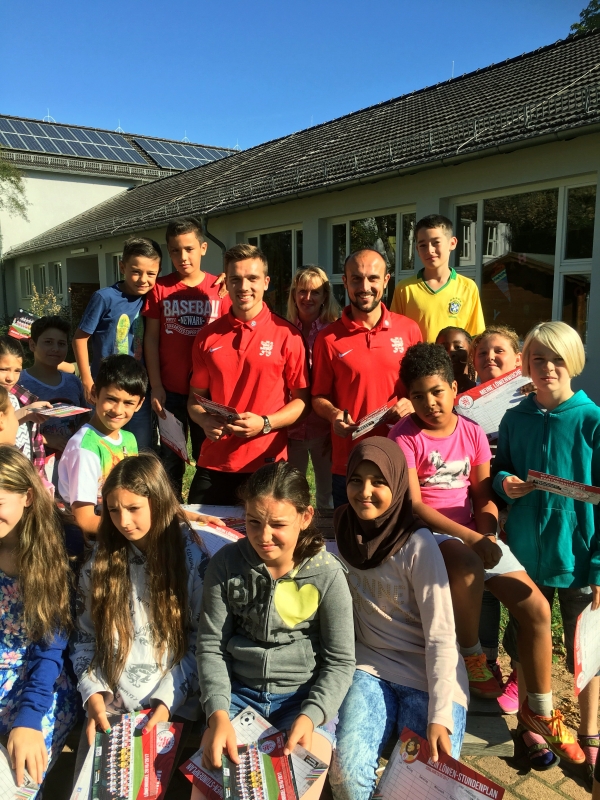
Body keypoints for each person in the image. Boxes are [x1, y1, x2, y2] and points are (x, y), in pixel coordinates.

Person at [390, 343, 584, 765]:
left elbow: (482, 495)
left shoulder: (472, 432)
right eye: (418, 396)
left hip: (476, 534)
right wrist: (473, 540)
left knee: (536, 608)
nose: (429, 403)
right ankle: (473, 653)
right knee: (466, 565)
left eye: (437, 392)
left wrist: (490, 534)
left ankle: (539, 710)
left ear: (454, 388)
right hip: (425, 535)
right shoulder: (402, 436)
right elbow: (415, 504)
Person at [196, 461, 355, 800]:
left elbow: (340, 661)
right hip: (237, 697)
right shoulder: (225, 564)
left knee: (297, 790)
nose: (263, 536)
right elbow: (211, 646)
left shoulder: (327, 574)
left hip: (302, 701)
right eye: (253, 521)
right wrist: (217, 714)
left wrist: (311, 716)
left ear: (305, 517)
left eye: (278, 525)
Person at [328, 438, 468, 800]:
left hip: (429, 676)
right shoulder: (342, 530)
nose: (365, 492)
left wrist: (440, 715)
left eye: (378, 482)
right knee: (347, 780)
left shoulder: (416, 544)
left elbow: (441, 635)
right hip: (369, 668)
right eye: (356, 480)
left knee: (421, 788)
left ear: (398, 484)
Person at [494, 321, 599, 777]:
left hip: (578, 558)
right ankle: (531, 724)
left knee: (585, 652)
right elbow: (498, 469)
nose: (548, 368)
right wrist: (504, 483)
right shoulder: (514, 418)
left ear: (573, 360)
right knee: (524, 638)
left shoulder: (593, 420)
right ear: (526, 365)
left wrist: (599, 566)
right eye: (539, 359)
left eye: (557, 359)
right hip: (524, 555)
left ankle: (591, 731)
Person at [71, 453, 209, 787]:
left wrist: (165, 705)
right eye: (113, 510)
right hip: (110, 700)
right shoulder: (100, 562)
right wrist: (94, 696)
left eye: (134, 508)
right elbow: (85, 636)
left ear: (158, 502)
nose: (124, 521)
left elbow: (202, 642)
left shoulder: (191, 559)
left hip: (170, 701)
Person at [187, 244, 310, 505]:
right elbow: (194, 400)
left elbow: (302, 402)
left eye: (252, 278)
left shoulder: (288, 335)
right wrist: (205, 420)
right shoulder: (207, 337)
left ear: (266, 282)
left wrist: (265, 423)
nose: (244, 287)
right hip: (215, 461)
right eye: (236, 279)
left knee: (261, 532)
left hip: (266, 462)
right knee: (195, 528)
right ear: (226, 284)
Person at [311, 248, 422, 508]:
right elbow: (318, 397)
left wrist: (412, 402)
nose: (365, 287)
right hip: (350, 461)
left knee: (401, 530)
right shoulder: (328, 338)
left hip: (401, 456)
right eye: (356, 279)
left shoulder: (409, 330)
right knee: (349, 532)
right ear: (345, 282)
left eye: (373, 278)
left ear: (386, 280)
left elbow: (423, 388)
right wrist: (333, 414)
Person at [0, 446, 78, 788]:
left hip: (39, 681)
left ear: (27, 497)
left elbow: (50, 648)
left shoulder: (53, 550)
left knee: (17, 779)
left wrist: (29, 717)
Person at [144, 218, 230, 499]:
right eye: (175, 250)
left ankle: (205, 510)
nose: (183, 257)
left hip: (209, 397)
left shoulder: (220, 288)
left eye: (189, 249)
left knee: (209, 458)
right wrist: (156, 385)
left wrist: (230, 276)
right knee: (171, 461)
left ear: (203, 248)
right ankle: (171, 514)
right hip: (170, 392)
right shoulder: (160, 289)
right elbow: (151, 339)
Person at [470, 324, 523, 712]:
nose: (490, 357)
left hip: (522, 506)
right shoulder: (464, 403)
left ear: (518, 359)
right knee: (487, 584)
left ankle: (522, 671)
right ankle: (488, 660)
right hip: (481, 504)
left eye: (499, 351)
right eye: (482, 352)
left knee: (522, 587)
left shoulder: (531, 398)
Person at [73, 236, 162, 450]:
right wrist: (86, 380)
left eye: (151, 274)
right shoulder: (104, 298)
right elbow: (79, 338)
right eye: (136, 271)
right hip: (105, 388)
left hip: (137, 391)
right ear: (122, 267)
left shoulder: (154, 297)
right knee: (102, 444)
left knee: (139, 448)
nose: (143, 279)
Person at [57, 354, 146, 538]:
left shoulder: (129, 439)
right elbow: (84, 520)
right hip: (91, 542)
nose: (118, 410)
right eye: (111, 399)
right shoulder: (85, 448)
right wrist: (143, 528)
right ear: (95, 393)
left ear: (139, 404)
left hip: (122, 529)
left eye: (128, 403)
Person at [286, 266, 341, 511]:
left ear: (325, 296)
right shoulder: (283, 329)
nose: (307, 298)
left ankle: (325, 532)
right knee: (290, 492)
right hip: (291, 426)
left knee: (327, 494)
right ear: (294, 294)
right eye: (302, 291)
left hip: (323, 427)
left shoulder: (335, 332)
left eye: (315, 292)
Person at [390, 215, 484, 342]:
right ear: (417, 249)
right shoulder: (404, 288)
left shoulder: (468, 287)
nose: (430, 250)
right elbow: (395, 334)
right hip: (416, 355)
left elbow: (475, 336)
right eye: (423, 245)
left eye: (436, 243)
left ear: (452, 243)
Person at [19, 316, 88, 464]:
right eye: (48, 342)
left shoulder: (73, 382)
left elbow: (85, 416)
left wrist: (78, 435)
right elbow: (10, 422)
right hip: (32, 464)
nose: (55, 349)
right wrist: (44, 438)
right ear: (32, 345)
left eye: (61, 343)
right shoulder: (18, 382)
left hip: (71, 461)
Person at [0, 336, 51, 469]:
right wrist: (25, 412)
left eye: (17, 371)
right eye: (3, 369)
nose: (10, 378)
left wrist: (28, 413)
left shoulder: (17, 398)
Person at [435, 326, 476, 393]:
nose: (450, 352)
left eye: (458, 347)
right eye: (444, 348)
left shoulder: (480, 390)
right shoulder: (429, 391)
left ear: (471, 352)